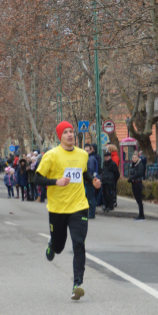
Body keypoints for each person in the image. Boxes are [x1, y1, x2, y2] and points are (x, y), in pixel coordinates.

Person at [34, 121, 101, 300]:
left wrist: (92, 180)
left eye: (71, 131)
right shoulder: (51, 155)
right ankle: (52, 245)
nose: (70, 135)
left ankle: (77, 284)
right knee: (59, 245)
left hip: (79, 206)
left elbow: (84, 172)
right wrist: (55, 182)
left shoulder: (82, 154)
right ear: (60, 136)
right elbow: (37, 179)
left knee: (79, 244)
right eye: (66, 132)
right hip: (57, 208)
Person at [128, 149, 147, 221]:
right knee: (137, 199)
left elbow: (139, 173)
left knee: (139, 200)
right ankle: (140, 214)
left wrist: (132, 178)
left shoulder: (140, 164)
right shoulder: (132, 165)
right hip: (133, 183)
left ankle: (141, 215)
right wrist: (130, 179)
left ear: (138, 158)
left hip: (138, 183)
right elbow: (132, 173)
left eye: (135, 158)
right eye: (133, 158)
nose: (134, 159)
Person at [83, 144, 99, 218]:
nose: (86, 151)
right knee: (89, 196)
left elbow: (90, 170)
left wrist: (88, 179)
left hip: (90, 180)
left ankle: (91, 214)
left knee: (90, 197)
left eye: (87, 150)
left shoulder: (90, 159)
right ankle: (90, 213)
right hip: (90, 179)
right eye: (85, 150)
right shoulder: (89, 157)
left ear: (90, 150)